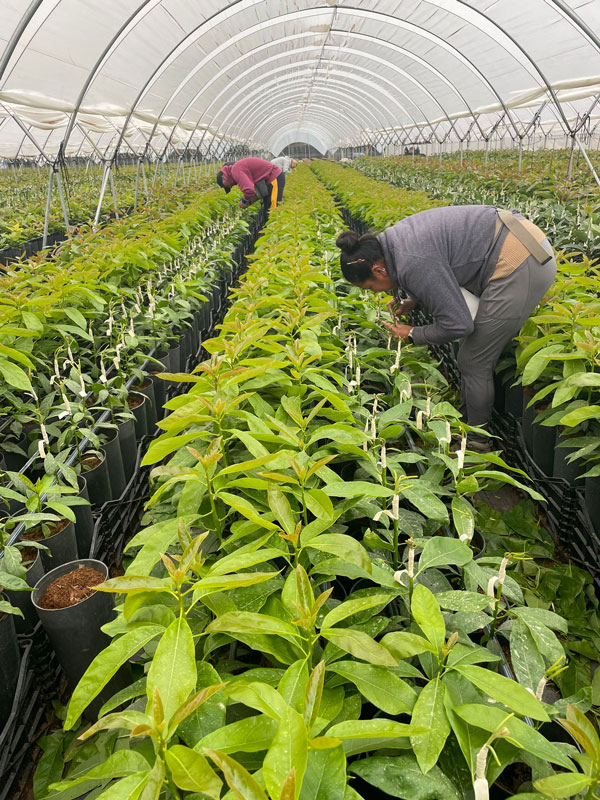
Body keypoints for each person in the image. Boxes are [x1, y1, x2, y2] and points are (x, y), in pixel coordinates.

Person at [335, 205, 557, 451]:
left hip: (520, 260)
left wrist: (412, 334)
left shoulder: (412, 261)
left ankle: (477, 442)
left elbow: (458, 324)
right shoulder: (392, 244)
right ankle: (465, 422)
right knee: (471, 351)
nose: (375, 293)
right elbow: (435, 264)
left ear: (378, 269)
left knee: (473, 359)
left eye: (369, 287)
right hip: (508, 241)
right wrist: (414, 299)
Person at [216, 157, 284, 213]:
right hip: (271, 180)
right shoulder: (236, 169)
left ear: (224, 178)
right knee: (267, 210)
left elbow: (249, 190)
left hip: (274, 178)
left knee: (273, 212)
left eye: (227, 186)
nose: (230, 186)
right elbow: (257, 191)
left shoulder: (235, 170)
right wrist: (249, 202)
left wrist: (243, 201)